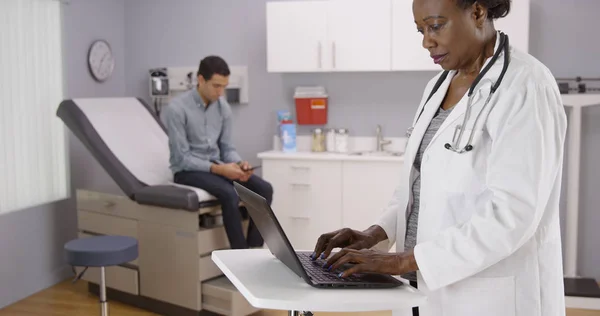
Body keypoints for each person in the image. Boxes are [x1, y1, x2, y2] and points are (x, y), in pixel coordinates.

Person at [311, 1, 567, 316]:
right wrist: (376, 233)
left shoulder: (526, 85)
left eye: (435, 26)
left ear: (476, 13)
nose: (426, 41)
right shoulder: (437, 85)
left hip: (487, 296)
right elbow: (416, 184)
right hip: (419, 288)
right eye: (421, 30)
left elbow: (512, 216)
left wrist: (401, 260)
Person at [161, 55, 273, 249]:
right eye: (216, 86)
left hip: (216, 166)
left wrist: (239, 165)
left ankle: (254, 250)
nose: (220, 92)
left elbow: (227, 148)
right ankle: (240, 258)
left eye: (224, 86)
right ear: (200, 79)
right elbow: (182, 157)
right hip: (187, 171)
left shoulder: (223, 108)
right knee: (229, 193)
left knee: (264, 189)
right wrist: (221, 170)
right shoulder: (177, 109)